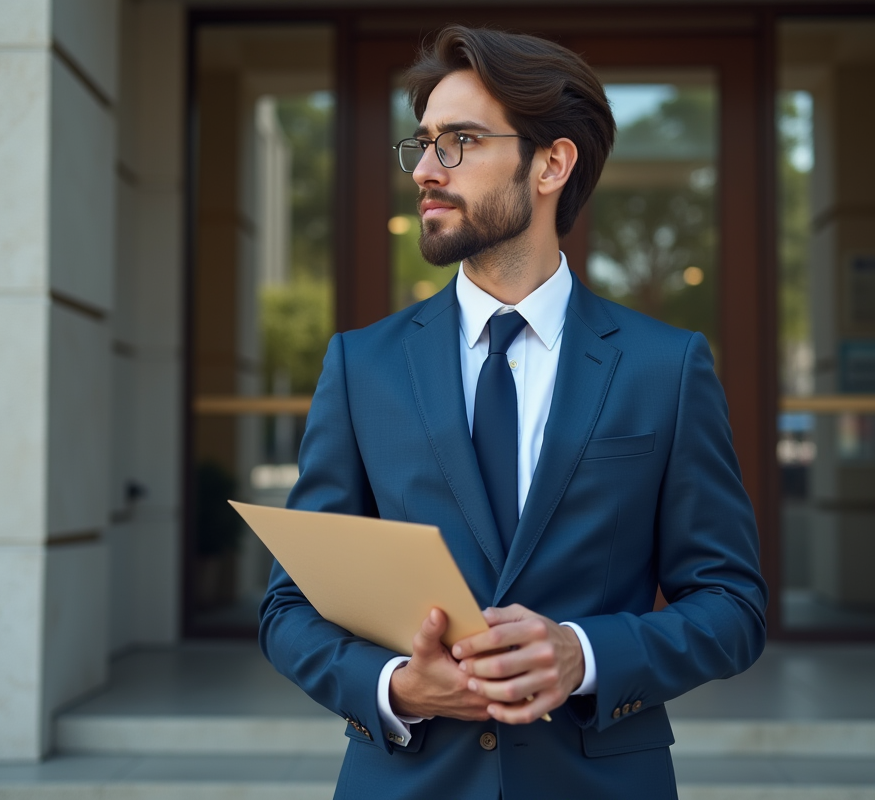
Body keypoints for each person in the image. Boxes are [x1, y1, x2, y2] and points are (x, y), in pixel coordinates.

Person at [259, 25, 767, 800]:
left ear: (552, 164)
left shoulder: (667, 366)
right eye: (423, 144)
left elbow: (732, 607)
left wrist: (584, 654)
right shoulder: (361, 366)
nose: (426, 170)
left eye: (458, 141)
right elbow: (288, 605)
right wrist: (395, 685)